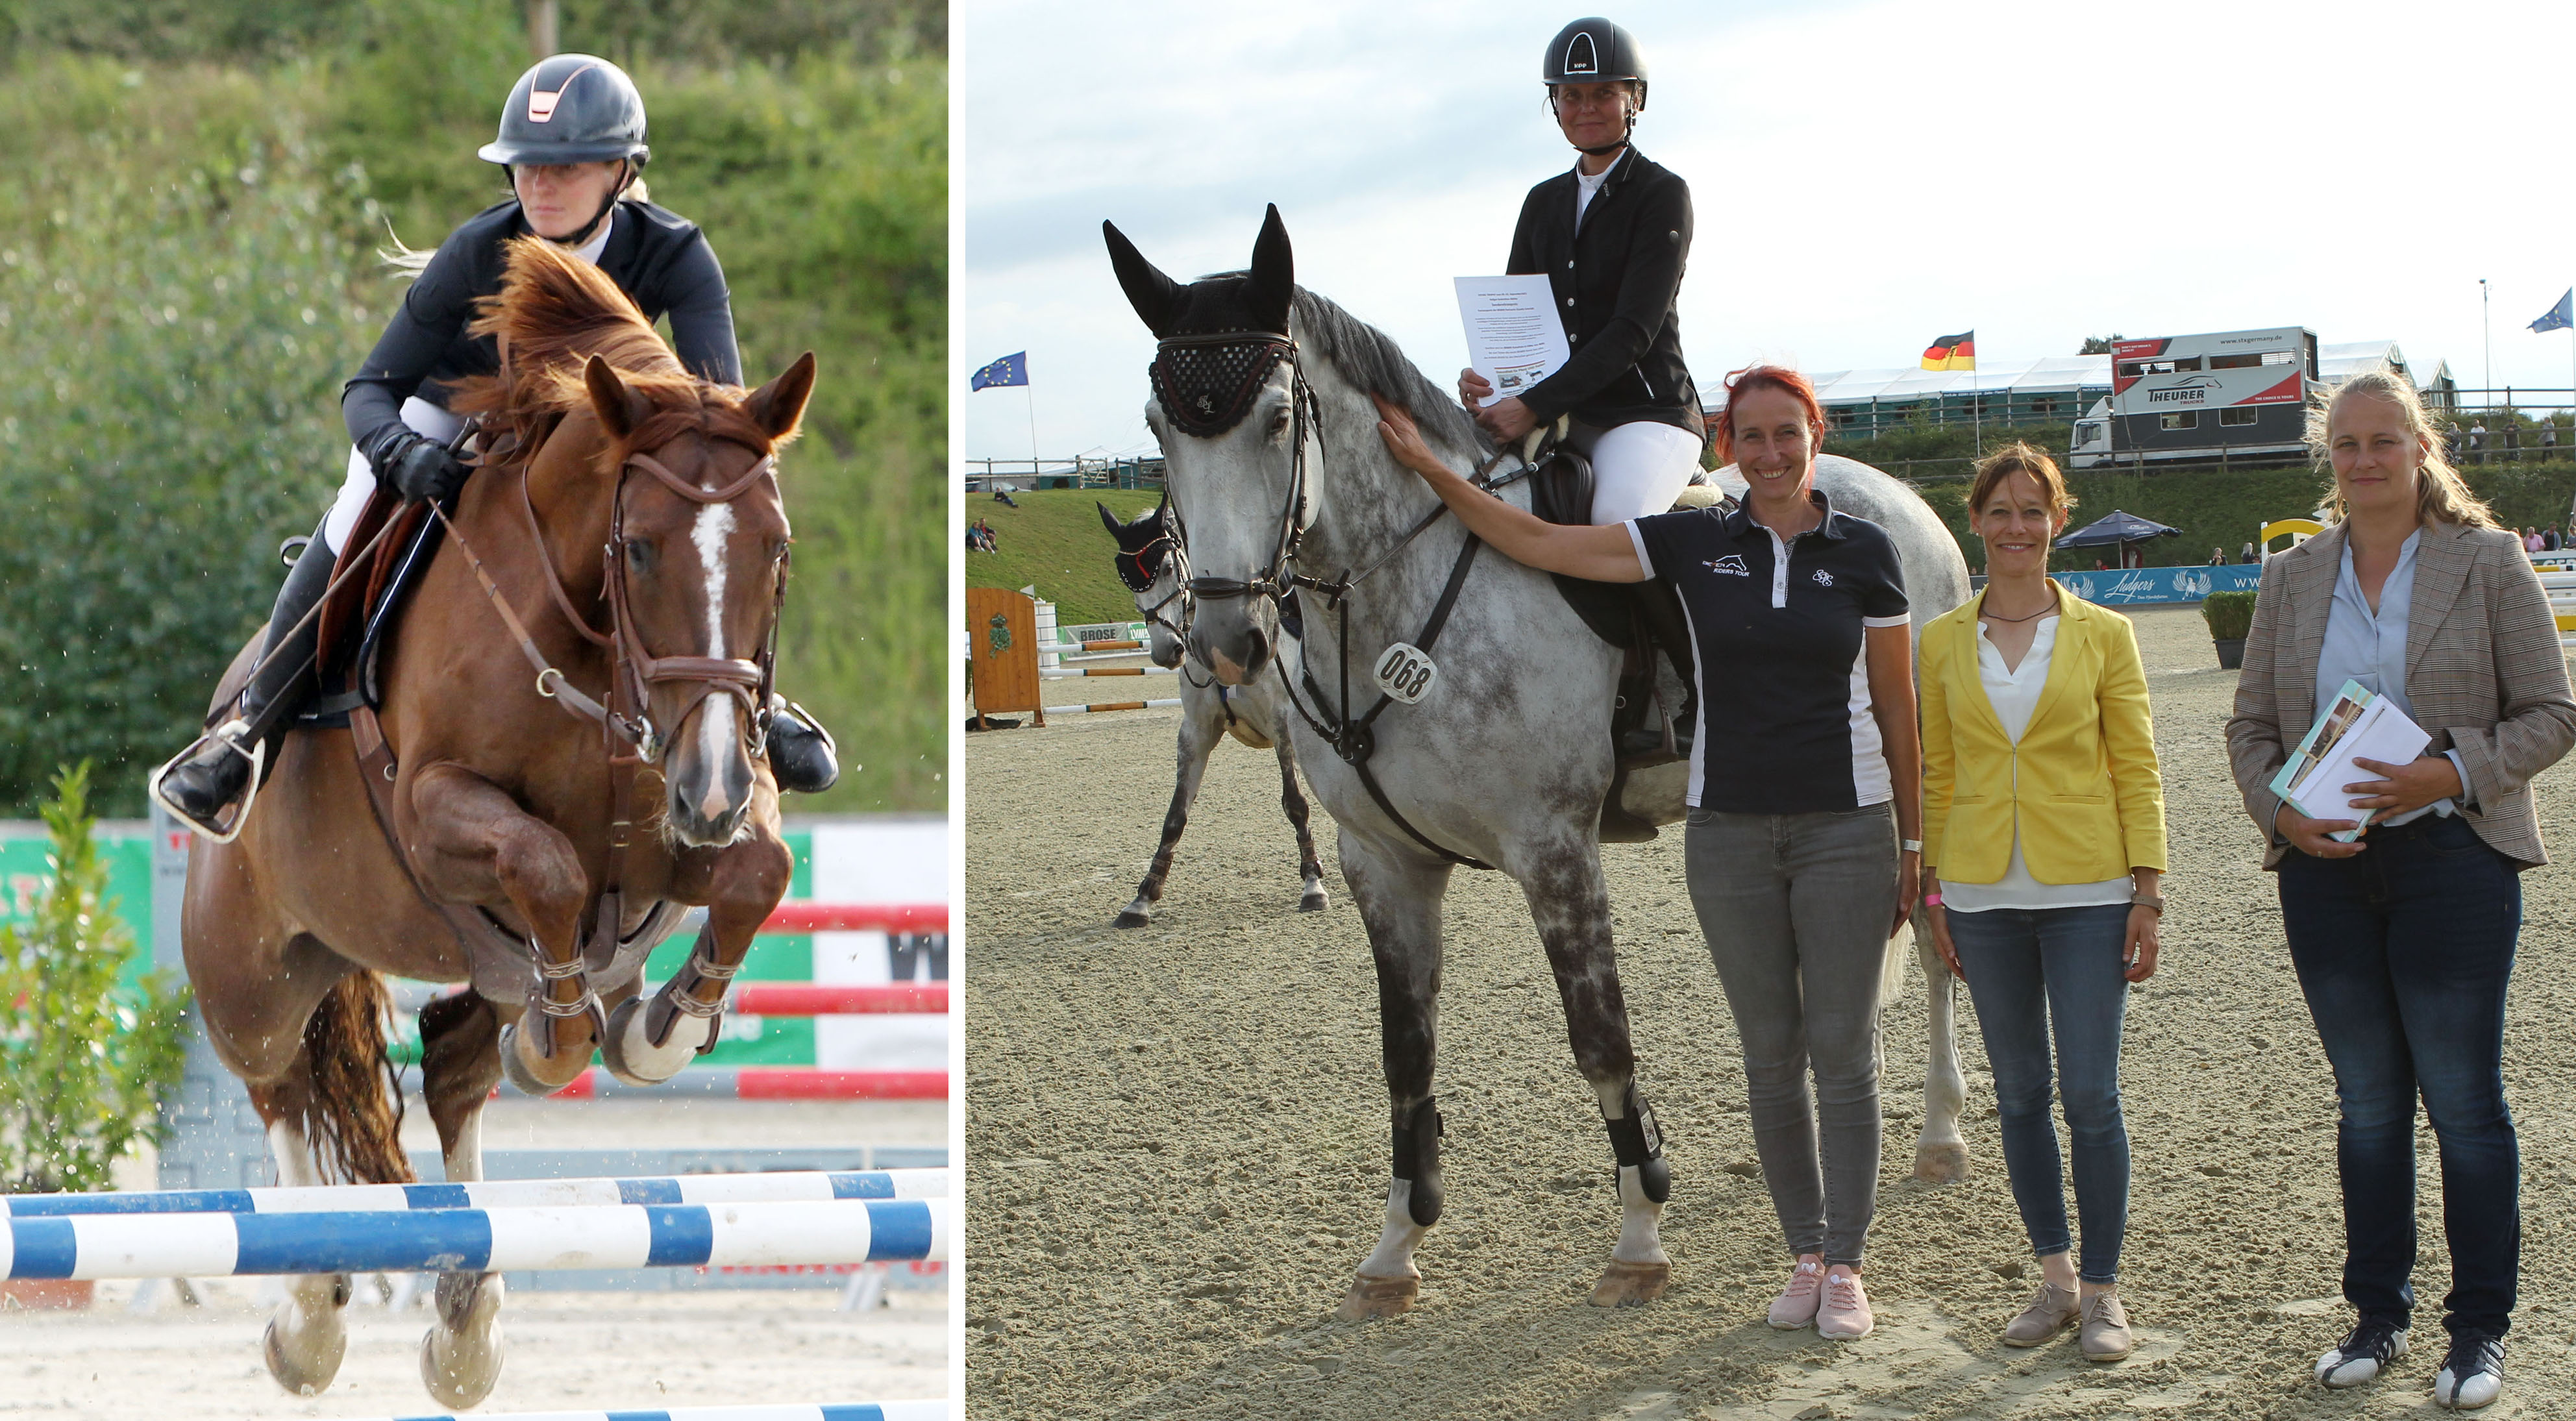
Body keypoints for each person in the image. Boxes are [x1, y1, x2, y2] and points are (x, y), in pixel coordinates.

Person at [151, 54, 838, 835]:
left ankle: (760, 705)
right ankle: (247, 732)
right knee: (353, 512)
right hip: (453, 420)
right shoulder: (479, 249)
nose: (539, 185)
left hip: (600, 443)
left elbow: (716, 417)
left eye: (564, 167)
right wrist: (398, 451)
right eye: (525, 167)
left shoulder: (674, 252)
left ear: (621, 170)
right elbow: (368, 387)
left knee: (713, 520)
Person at [1378, 365, 1921, 1342]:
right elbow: (1539, 539)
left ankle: (1846, 1263)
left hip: (1847, 825)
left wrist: (1916, 840)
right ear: (1728, 443)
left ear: (1814, 433)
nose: (1769, 453)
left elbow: (1899, 710)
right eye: (1750, 436)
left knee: (1844, 1058)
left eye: (1786, 434)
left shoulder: (1869, 553)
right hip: (1730, 833)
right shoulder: (1695, 537)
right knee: (1769, 1060)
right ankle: (1803, 1251)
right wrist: (1430, 466)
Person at [2225, 369, 2576, 1411]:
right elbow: (2250, 730)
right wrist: (2279, 812)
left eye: (2386, 440)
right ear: (2327, 460)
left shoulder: (2488, 561)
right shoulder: (2293, 577)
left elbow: (2554, 712)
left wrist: (2450, 770)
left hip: (2453, 860)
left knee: (2465, 1106)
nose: (2366, 459)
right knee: (2369, 1105)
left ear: (2422, 448)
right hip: (2327, 873)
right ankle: (2377, 1313)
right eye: (2347, 445)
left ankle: (2479, 1333)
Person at [1919, 443, 2164, 1365]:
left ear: (2058, 520)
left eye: (2034, 510)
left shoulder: (2105, 635)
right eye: (2000, 511)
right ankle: (2055, 1279)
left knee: (2090, 1095)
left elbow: (2136, 764)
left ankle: (2104, 1289)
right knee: (2019, 1095)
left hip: (2090, 891)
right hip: (1982, 894)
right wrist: (1936, 889)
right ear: (1976, 522)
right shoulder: (1942, 639)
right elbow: (1940, 770)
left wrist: (2150, 890)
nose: (2017, 526)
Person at [1459, 17, 1703, 771]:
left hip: (1646, 411)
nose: (1585, 106)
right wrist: (1487, 383)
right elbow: (1516, 317)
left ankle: (1690, 685)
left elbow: (1632, 328)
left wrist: (1531, 404)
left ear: (1633, 99)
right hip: (1559, 410)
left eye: (1602, 92)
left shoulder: (1661, 194)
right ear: (1555, 106)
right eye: (1570, 95)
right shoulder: (1540, 203)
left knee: (1617, 517)